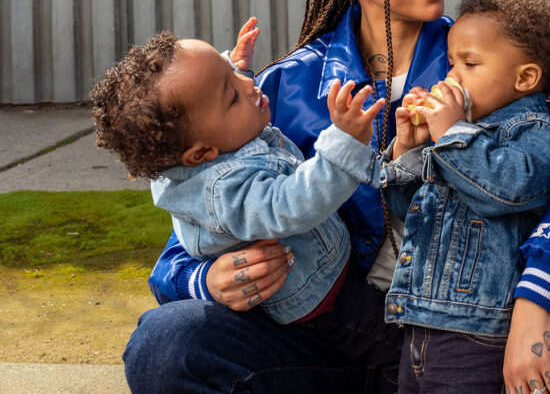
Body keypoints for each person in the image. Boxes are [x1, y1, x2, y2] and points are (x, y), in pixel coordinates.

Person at [123, 0, 550, 394]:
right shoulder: (282, 87)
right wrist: (205, 281)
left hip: (464, 337)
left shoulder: (486, 59)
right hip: (325, 340)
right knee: (165, 342)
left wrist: (537, 293)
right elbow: (191, 224)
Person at [90, 30, 398, 362]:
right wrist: (344, 142)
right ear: (201, 154)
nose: (250, 85)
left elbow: (203, 99)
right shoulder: (225, 191)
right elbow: (291, 203)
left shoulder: (195, 147)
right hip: (325, 302)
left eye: (232, 73)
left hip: (327, 277)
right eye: (233, 96)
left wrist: (233, 69)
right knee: (395, 349)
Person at [381, 0, 550, 392]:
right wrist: (408, 148)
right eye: (451, 63)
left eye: (469, 64)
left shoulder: (535, 133)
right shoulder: (456, 136)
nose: (452, 76)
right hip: (419, 322)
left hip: (476, 335)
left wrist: (451, 133)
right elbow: (406, 208)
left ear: (525, 78)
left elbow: (507, 189)